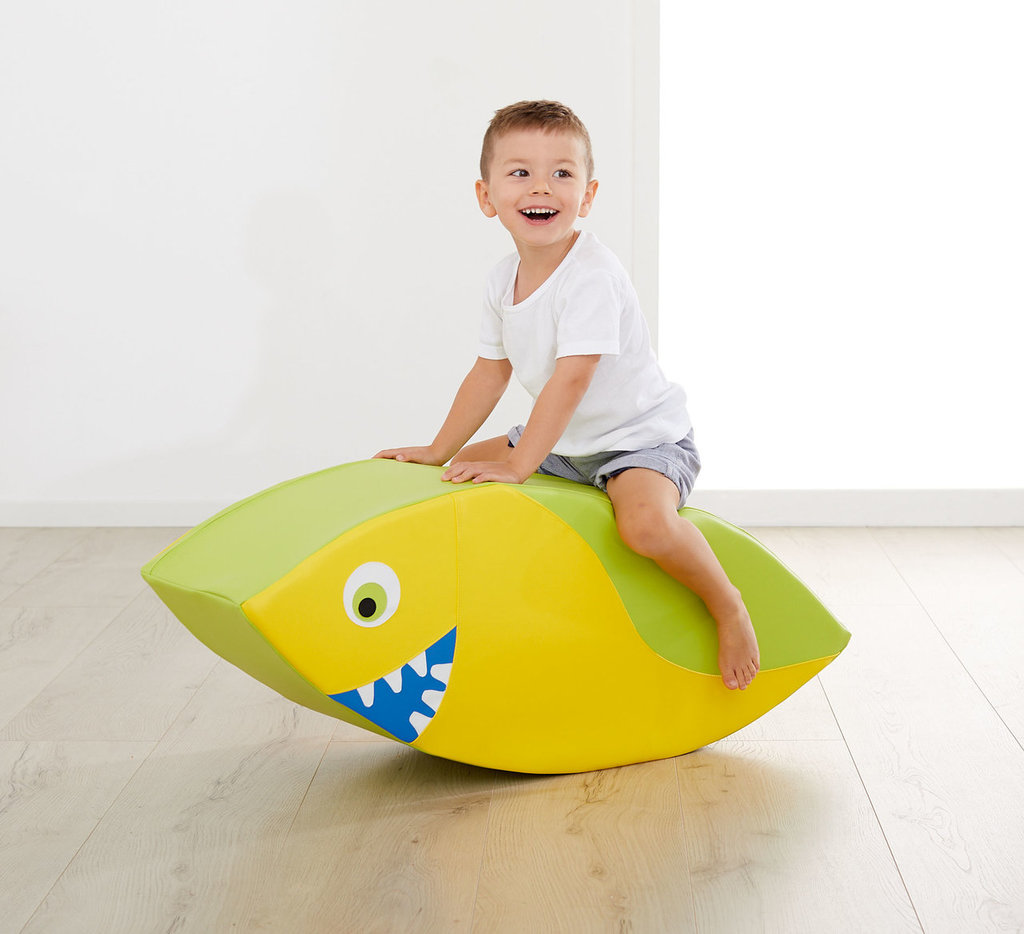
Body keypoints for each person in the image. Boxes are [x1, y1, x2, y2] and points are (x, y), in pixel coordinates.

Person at [376, 100, 760, 690]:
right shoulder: (501, 280)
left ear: (587, 195)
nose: (542, 187)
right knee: (450, 478)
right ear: (486, 196)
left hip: (639, 440)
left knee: (645, 528)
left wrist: (518, 464)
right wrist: (437, 449)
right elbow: (489, 373)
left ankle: (727, 604)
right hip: (564, 441)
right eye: (520, 172)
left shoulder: (591, 275)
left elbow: (572, 379)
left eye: (562, 172)